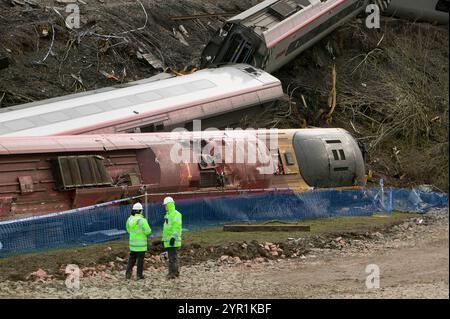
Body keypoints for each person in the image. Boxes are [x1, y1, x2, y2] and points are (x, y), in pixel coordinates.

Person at [125, 202, 151, 280]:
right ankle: (139, 275)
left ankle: (128, 274)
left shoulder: (129, 219)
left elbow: (128, 229)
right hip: (141, 245)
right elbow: (148, 231)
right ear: (140, 211)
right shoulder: (142, 220)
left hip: (133, 245)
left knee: (131, 259)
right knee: (140, 261)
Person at [162, 196, 182, 279]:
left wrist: (173, 238)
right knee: (172, 258)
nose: (165, 207)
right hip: (169, 241)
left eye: (165, 205)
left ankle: (172, 274)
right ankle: (175, 273)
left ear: (169, 205)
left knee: (172, 258)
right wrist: (164, 240)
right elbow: (166, 230)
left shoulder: (175, 214)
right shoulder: (169, 215)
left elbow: (176, 227)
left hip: (173, 241)